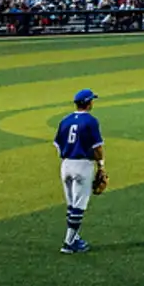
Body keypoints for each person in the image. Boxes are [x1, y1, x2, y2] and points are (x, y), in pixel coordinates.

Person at [53, 89, 105, 254]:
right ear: (89, 103)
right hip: (83, 165)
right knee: (79, 205)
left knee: (71, 205)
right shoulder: (91, 121)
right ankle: (69, 242)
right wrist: (101, 165)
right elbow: (97, 147)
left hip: (66, 165)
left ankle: (74, 239)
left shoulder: (65, 120)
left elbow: (58, 145)